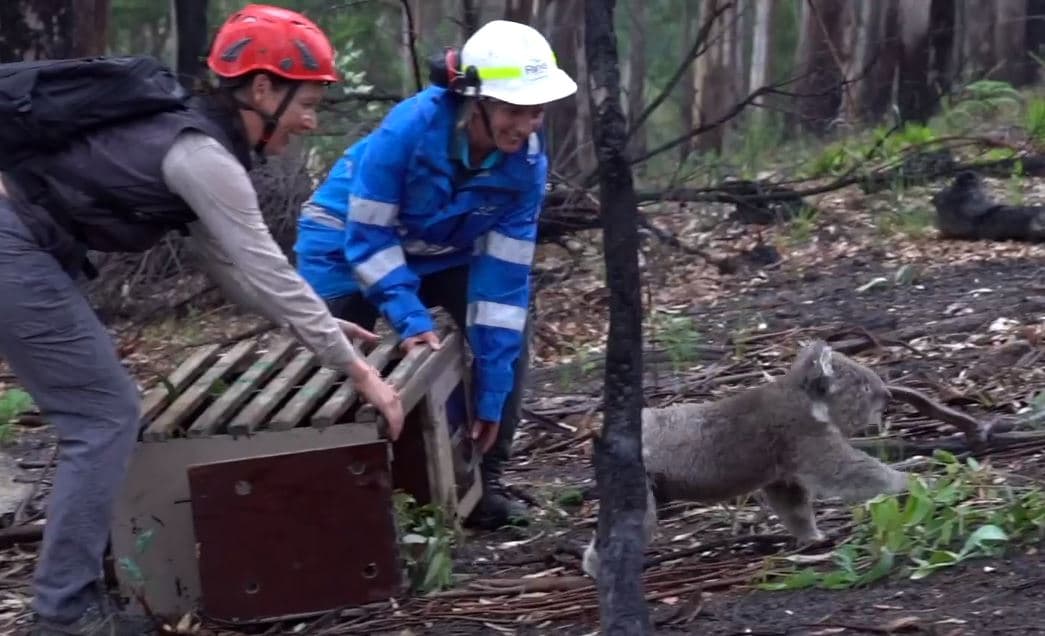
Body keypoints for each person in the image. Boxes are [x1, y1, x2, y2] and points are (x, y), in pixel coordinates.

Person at [0, 5, 404, 634]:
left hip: (20, 244)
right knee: (104, 414)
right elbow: (267, 268)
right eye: (307, 101)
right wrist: (354, 370)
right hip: (11, 245)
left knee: (102, 412)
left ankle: (70, 601)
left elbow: (231, 271)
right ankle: (63, 615)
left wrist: (324, 326)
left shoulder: (195, 143)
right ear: (263, 88)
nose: (309, 120)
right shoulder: (202, 156)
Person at [293, 19, 577, 530]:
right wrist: (408, 314)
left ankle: (484, 479)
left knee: (509, 332)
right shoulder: (409, 131)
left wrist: (490, 395)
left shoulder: (526, 164)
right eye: (515, 110)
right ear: (476, 100)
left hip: (438, 250)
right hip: (343, 240)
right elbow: (369, 238)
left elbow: (502, 286)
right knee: (333, 357)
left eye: (536, 112)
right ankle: (323, 494)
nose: (527, 125)